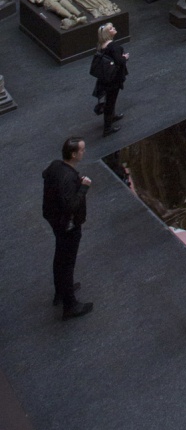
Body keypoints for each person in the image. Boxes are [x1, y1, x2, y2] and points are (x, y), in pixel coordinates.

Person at [42, 136, 93, 318]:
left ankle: (61, 290)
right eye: (81, 150)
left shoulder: (56, 166)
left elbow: (45, 174)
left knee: (60, 256)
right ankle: (70, 304)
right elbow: (71, 205)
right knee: (67, 262)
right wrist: (83, 187)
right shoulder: (69, 177)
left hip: (54, 220)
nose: (83, 152)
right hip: (67, 225)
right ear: (73, 154)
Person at [92, 23, 128, 136]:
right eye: (111, 28)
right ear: (108, 33)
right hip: (113, 79)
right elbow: (119, 61)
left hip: (106, 77)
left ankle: (112, 116)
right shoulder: (113, 47)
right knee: (110, 101)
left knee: (110, 99)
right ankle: (107, 128)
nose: (114, 28)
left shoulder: (101, 45)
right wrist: (125, 57)